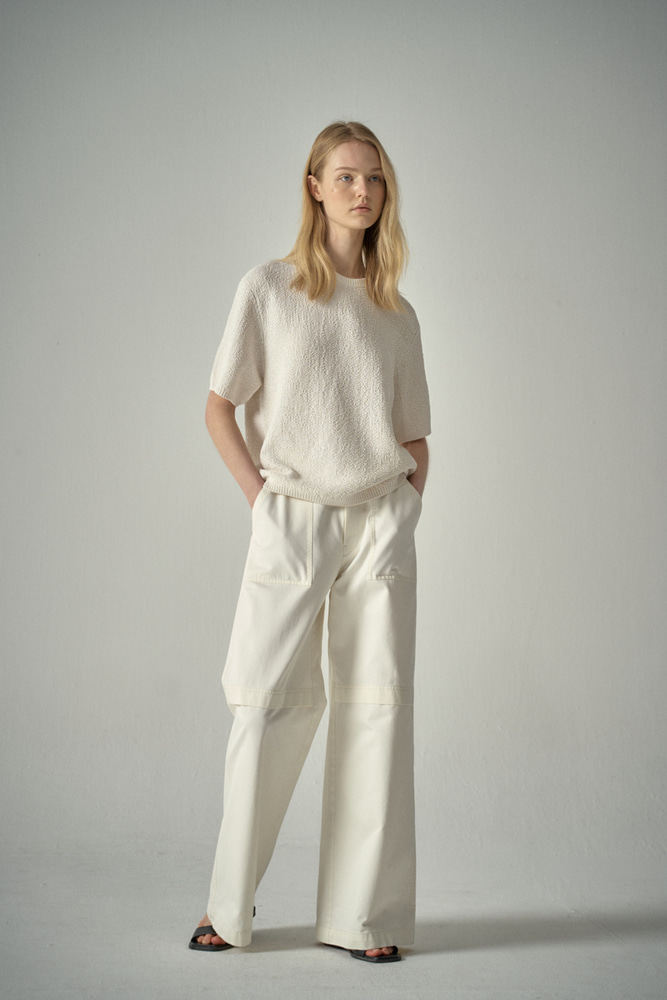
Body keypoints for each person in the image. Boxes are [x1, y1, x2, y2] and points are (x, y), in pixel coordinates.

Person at [188, 120, 431, 964]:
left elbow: (414, 435)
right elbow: (219, 406)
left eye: (374, 177)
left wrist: (402, 512)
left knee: (376, 711)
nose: (362, 191)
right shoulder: (270, 288)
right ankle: (228, 907)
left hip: (377, 523)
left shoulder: (396, 313)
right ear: (315, 187)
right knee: (265, 706)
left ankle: (364, 920)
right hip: (291, 514)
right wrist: (262, 502)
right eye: (346, 176)